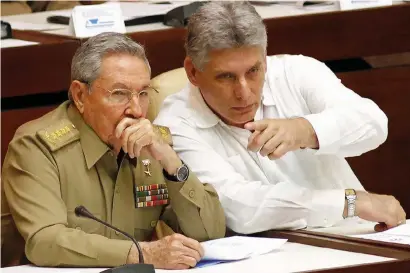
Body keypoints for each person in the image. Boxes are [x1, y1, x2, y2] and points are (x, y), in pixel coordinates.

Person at [154, 1, 406, 234]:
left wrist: (306, 130)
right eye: (226, 77)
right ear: (192, 72)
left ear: (265, 60)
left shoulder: (296, 72)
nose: (244, 92)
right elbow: (236, 207)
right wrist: (348, 201)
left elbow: (374, 124)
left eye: (253, 71)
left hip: (359, 234)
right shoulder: (175, 123)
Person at [1, 32, 225, 269]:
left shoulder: (153, 147)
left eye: (143, 93)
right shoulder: (36, 146)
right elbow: (44, 242)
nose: (137, 110)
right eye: (119, 94)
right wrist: (142, 253)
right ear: (80, 95)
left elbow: (210, 232)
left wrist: (172, 163)